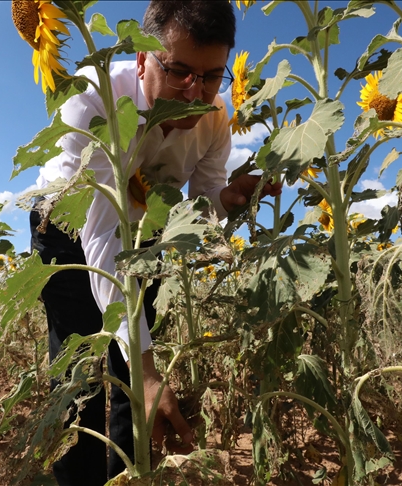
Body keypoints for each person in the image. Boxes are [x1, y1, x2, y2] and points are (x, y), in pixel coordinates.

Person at [30, 2, 282, 484]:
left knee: (136, 368)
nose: (196, 90)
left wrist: (228, 196)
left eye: (212, 76)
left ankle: (129, 475)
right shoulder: (94, 97)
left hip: (146, 232)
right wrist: (146, 372)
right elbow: (101, 231)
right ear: (143, 59)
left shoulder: (215, 114)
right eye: (180, 71)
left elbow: (199, 200)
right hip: (66, 223)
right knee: (81, 369)